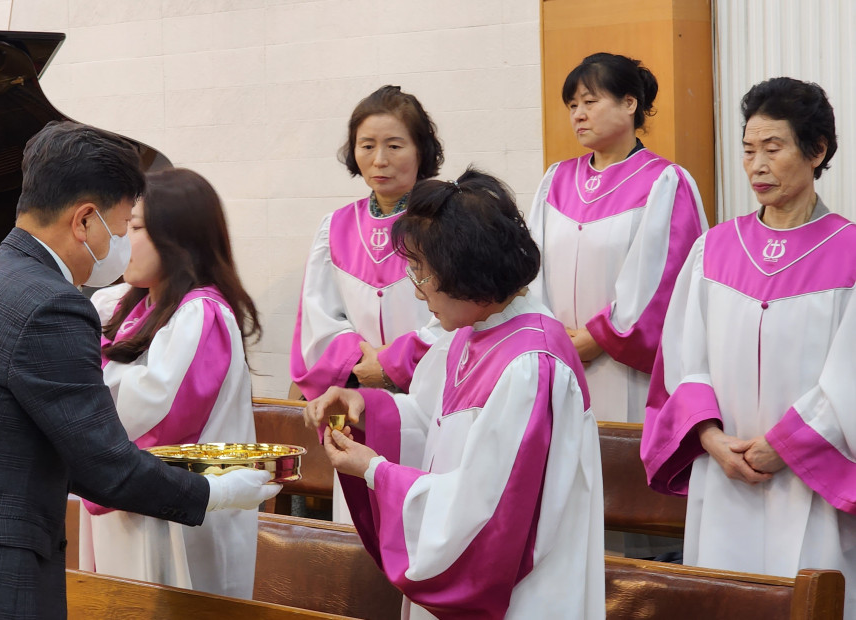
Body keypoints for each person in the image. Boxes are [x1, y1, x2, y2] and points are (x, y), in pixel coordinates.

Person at [0, 122, 279, 619]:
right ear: (85, 221)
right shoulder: (51, 304)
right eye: (122, 227)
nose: (122, 242)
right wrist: (216, 492)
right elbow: (106, 468)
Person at [304, 169, 604, 619]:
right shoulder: (468, 334)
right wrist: (367, 409)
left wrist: (375, 471)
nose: (418, 290)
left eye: (422, 272)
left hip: (520, 596)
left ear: (467, 271)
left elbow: (487, 511)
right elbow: (431, 425)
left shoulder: (531, 364)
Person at [642, 77, 855, 616]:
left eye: (773, 148)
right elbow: (684, 360)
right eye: (748, 149)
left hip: (810, 482)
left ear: (817, 151)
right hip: (725, 473)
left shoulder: (849, 252)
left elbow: (850, 378)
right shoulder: (714, 249)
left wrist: (787, 444)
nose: (757, 165)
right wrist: (710, 438)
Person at [78, 168, 261, 599]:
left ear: (179, 235)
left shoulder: (202, 314)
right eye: (122, 225)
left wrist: (81, 399)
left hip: (174, 512)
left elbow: (157, 421)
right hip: (126, 497)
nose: (121, 239)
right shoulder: (116, 304)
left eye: (136, 227)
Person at [291, 85, 444, 523]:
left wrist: (395, 362)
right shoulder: (336, 227)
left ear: (421, 150)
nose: (379, 160)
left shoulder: (444, 221)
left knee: (425, 516)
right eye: (367, 145)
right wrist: (363, 363)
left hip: (432, 395)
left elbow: (463, 312)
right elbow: (319, 318)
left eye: (394, 145)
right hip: (360, 399)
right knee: (362, 525)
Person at [528, 52, 708, 424]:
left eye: (590, 102)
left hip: (624, 369)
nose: (578, 115)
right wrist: (550, 334)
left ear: (629, 103)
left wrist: (598, 338)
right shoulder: (555, 181)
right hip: (557, 357)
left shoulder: (664, 181)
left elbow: (666, 281)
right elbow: (531, 269)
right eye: (572, 105)